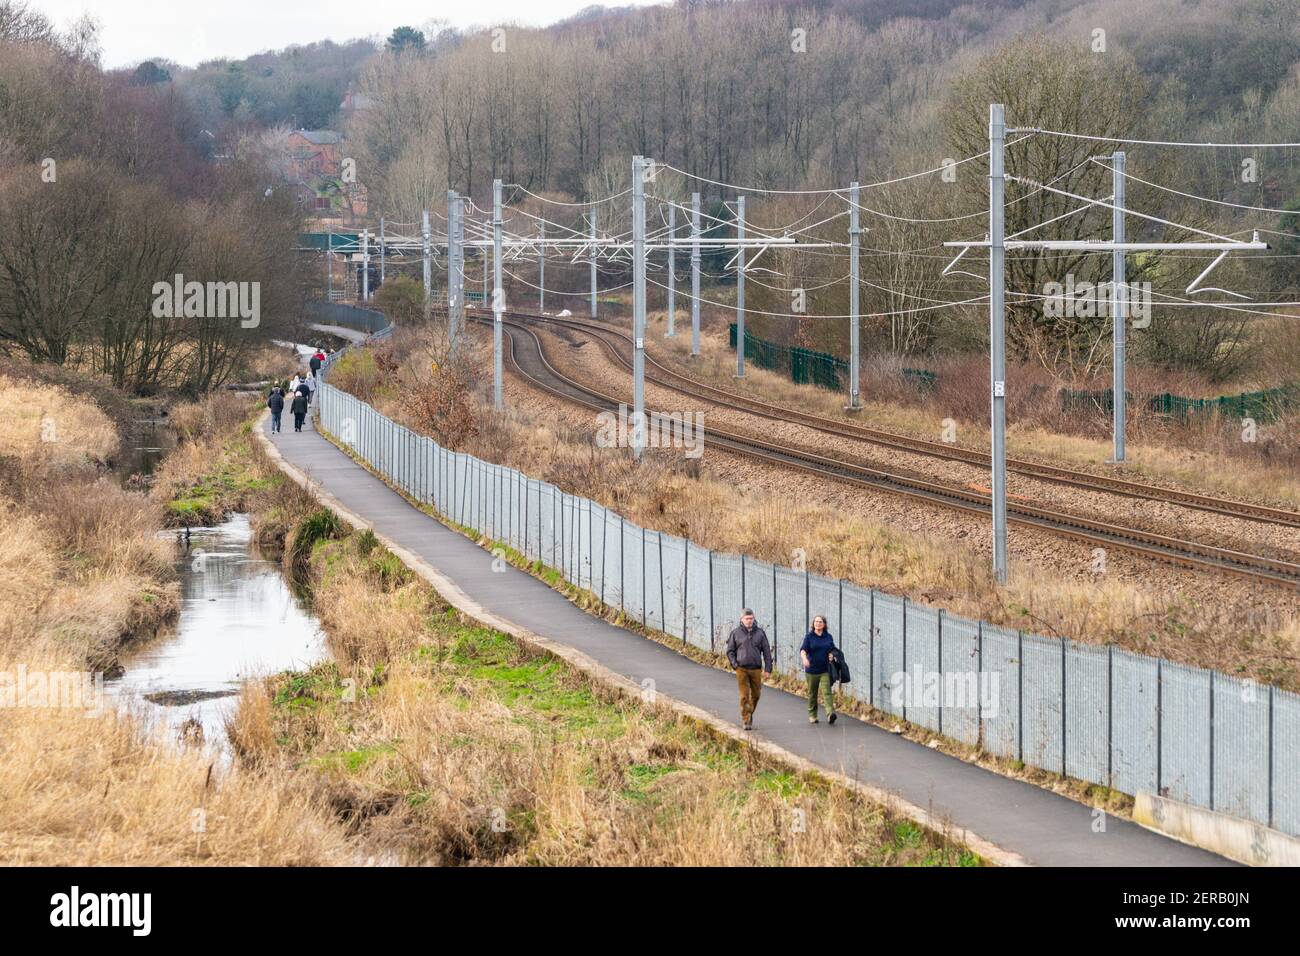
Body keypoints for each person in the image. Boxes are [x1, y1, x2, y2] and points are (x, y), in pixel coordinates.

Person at [726, 609, 772, 731]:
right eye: (747, 618)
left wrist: (768, 668)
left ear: (754, 619)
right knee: (744, 696)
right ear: (742, 619)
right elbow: (730, 651)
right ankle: (746, 720)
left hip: (756, 669)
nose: (749, 621)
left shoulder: (760, 633)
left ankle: (749, 711)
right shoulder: (736, 633)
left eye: (751, 618)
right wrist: (735, 665)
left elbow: (766, 651)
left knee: (756, 695)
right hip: (741, 669)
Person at [799, 615, 839, 725]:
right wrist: (804, 659)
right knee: (812, 693)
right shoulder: (809, 637)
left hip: (824, 669)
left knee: (827, 692)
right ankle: (812, 715)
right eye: (816, 622)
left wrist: (831, 654)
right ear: (813, 624)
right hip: (811, 670)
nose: (818, 624)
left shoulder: (828, 637)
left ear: (824, 624)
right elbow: (803, 650)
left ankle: (830, 714)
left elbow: (832, 649)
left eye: (820, 622)